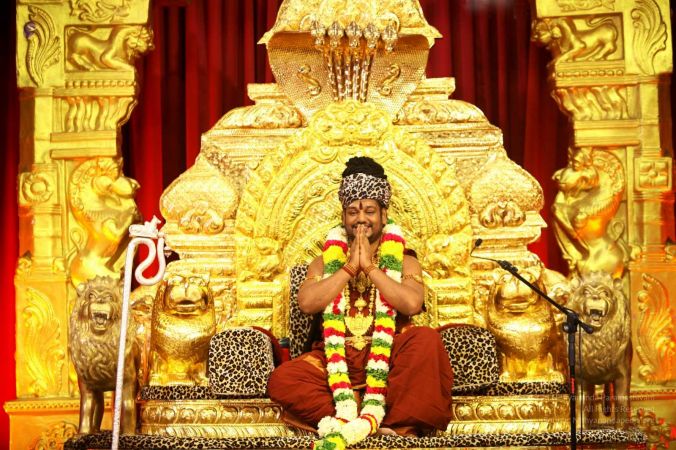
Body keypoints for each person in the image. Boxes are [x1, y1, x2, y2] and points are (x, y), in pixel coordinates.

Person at [267, 157, 453, 449]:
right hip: (334, 360)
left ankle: (391, 424)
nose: (361, 219)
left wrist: (370, 268)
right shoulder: (323, 263)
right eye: (353, 211)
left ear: (384, 215)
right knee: (284, 379)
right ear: (343, 217)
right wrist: (349, 268)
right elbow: (307, 303)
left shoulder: (405, 261)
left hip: (391, 358)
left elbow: (411, 304)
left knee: (425, 341)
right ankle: (359, 415)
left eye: (369, 211)